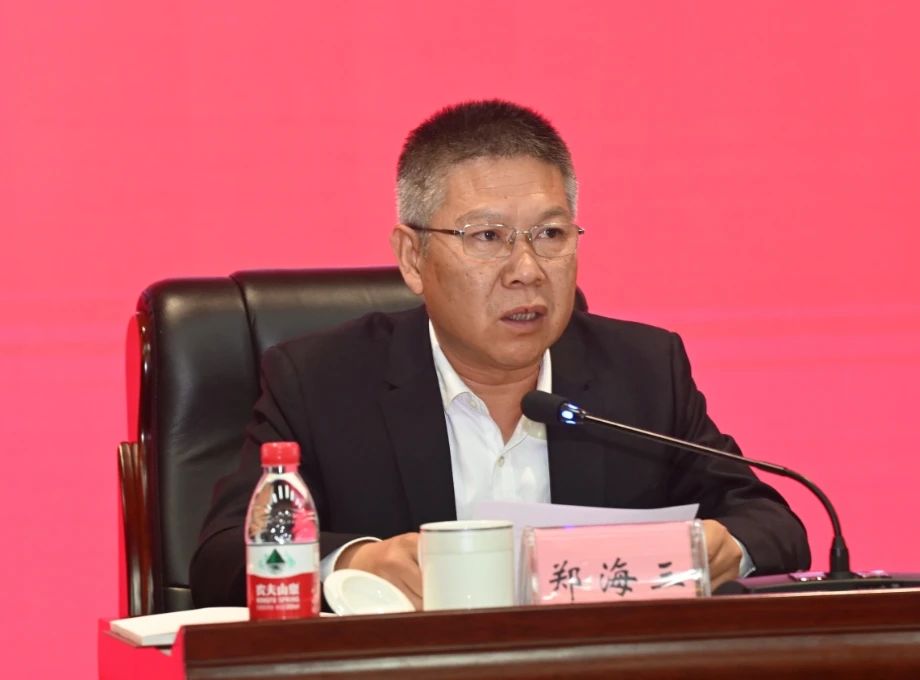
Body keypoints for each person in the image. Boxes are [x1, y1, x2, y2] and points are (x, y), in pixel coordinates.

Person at [190, 100, 810, 609]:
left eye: (551, 234)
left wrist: (725, 546)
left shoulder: (643, 370)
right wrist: (354, 562)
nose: (527, 270)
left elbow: (770, 522)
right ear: (413, 258)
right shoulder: (320, 381)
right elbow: (220, 557)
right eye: (488, 237)